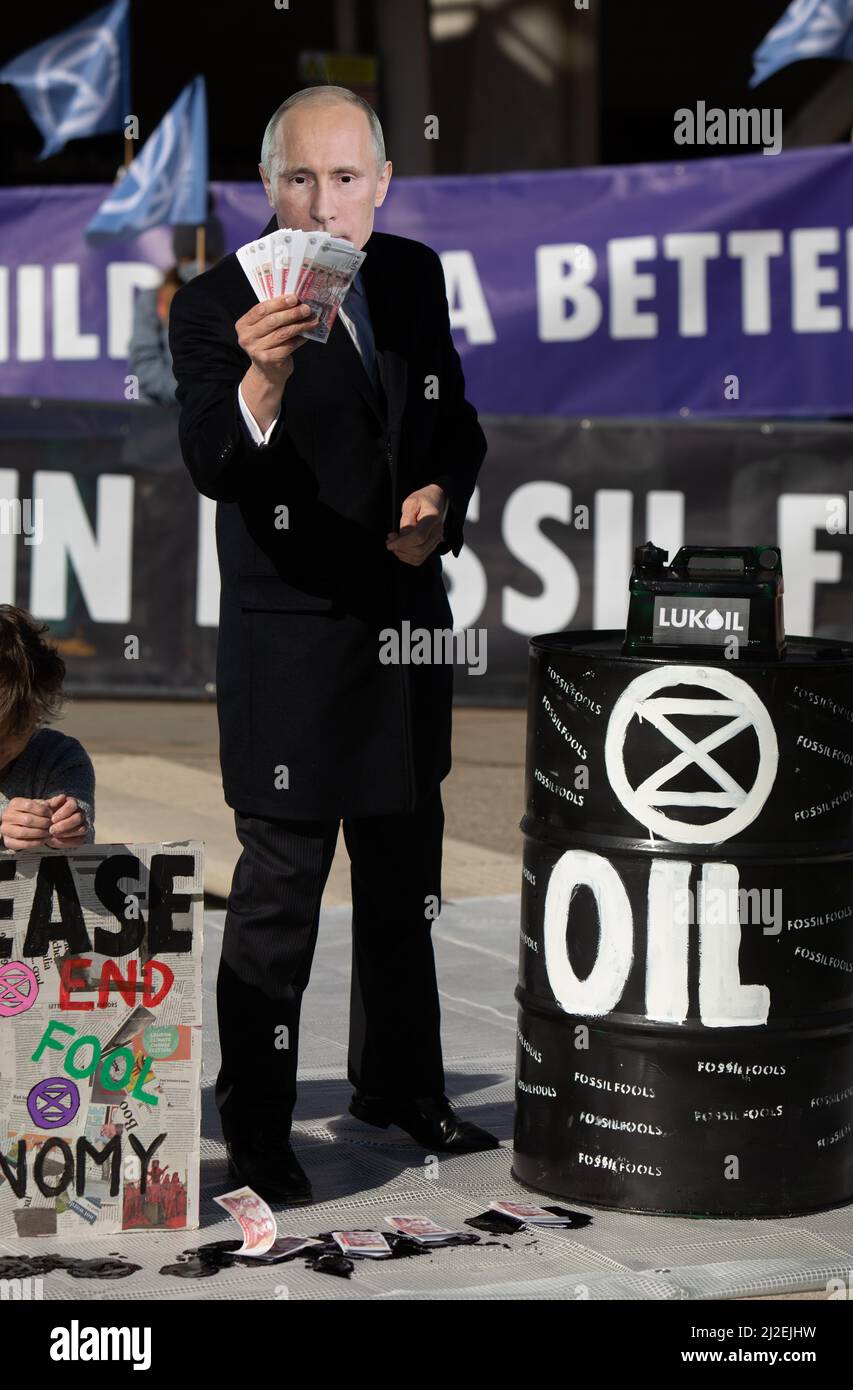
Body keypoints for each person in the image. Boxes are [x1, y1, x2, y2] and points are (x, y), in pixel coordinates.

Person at [169, 85, 495, 1207]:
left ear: (383, 185)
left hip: (406, 632)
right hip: (294, 650)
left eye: (346, 179)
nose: (324, 202)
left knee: (405, 884)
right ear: (268, 191)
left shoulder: (410, 274)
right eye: (300, 180)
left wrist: (437, 500)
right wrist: (262, 376)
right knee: (278, 904)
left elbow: (453, 418)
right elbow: (217, 461)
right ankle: (256, 1132)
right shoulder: (217, 301)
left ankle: (399, 1087)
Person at [0, 606, 94, 852]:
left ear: (38, 712)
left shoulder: (59, 757)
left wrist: (68, 828)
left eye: (17, 730)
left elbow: (81, 834)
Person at [129, 214, 225, 406]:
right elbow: (145, 365)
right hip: (161, 420)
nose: (200, 265)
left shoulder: (230, 296)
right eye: (191, 258)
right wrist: (191, 392)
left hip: (213, 414)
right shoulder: (155, 299)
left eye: (209, 259)